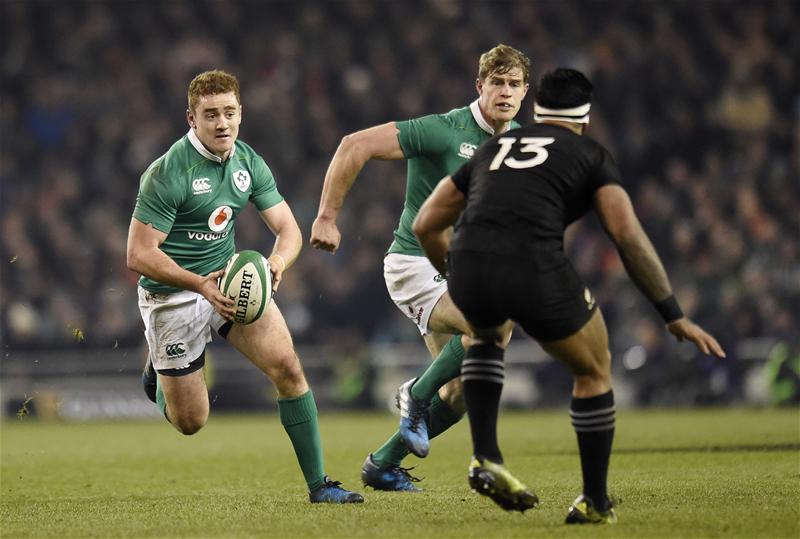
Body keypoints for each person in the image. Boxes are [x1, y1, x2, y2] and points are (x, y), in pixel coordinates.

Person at [413, 68, 726, 522]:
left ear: (536, 108)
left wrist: (457, 274)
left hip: (468, 259)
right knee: (594, 368)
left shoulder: (495, 147)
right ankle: (594, 501)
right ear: (585, 115)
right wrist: (671, 313)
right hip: (532, 262)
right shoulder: (590, 154)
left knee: (485, 335)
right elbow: (626, 235)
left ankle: (486, 457)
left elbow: (426, 223)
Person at [126, 69, 363, 504]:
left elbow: (288, 229)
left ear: (241, 113)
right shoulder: (167, 172)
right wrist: (198, 285)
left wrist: (276, 263)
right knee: (191, 422)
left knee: (288, 368)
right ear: (191, 118)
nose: (222, 123)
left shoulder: (248, 162)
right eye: (211, 115)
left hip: (228, 281)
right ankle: (155, 374)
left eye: (229, 113)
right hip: (172, 296)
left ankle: (320, 485)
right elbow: (140, 254)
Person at [311, 45, 530, 491]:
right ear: (480, 86)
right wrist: (327, 218)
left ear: (526, 91)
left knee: (459, 394)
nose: (505, 92)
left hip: (461, 269)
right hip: (414, 262)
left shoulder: (521, 142)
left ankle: (382, 464)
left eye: (514, 84)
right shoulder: (443, 130)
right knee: (492, 324)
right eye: (497, 82)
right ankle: (414, 394)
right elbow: (354, 145)